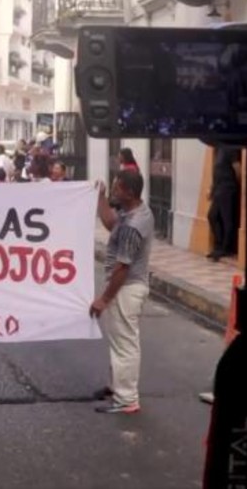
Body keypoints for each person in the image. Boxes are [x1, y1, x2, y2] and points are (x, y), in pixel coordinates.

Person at [89, 170, 153, 414]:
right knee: (121, 341)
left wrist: (104, 299)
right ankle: (116, 386)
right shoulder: (134, 212)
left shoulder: (133, 226)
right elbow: (110, 223)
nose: (114, 190)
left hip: (126, 289)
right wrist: (101, 198)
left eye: (117, 187)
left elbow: (123, 267)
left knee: (124, 344)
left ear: (129, 192)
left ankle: (126, 399)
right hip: (129, 288)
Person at [207, 144, 242, 261]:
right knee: (212, 216)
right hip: (218, 188)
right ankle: (218, 245)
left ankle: (226, 248)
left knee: (227, 220)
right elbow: (216, 172)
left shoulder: (231, 148)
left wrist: (236, 184)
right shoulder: (218, 149)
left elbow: (237, 168)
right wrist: (212, 189)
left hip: (227, 187)